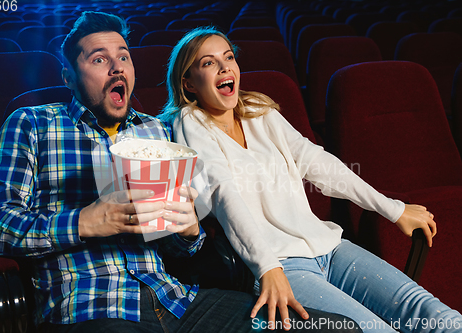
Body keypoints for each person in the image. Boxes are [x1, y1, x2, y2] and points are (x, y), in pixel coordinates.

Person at [0, 12, 362, 333]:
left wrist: (188, 230)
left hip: (178, 303)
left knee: (336, 328)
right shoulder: (32, 124)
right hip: (91, 305)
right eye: (98, 59)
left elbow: (182, 250)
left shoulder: (157, 131)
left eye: (124, 57)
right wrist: (86, 221)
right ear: (68, 77)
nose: (116, 67)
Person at [160, 26, 462, 333]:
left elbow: (317, 162)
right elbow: (223, 193)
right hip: (284, 265)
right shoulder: (190, 122)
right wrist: (268, 268)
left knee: (433, 313)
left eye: (229, 57)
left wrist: (392, 209)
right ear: (189, 83)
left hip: (329, 246)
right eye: (209, 63)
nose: (225, 67)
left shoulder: (258, 111)